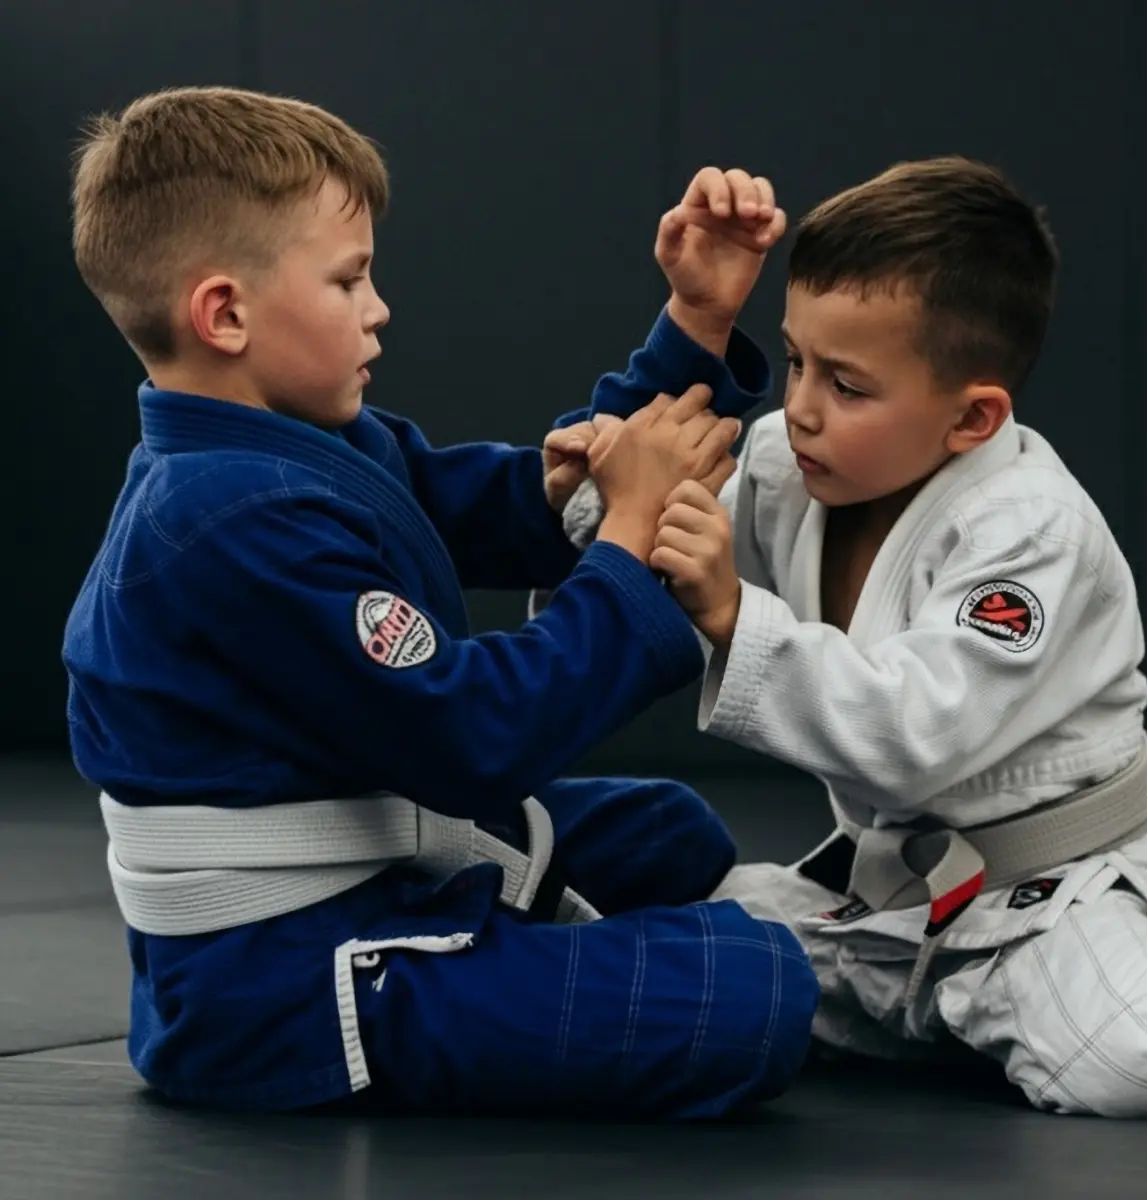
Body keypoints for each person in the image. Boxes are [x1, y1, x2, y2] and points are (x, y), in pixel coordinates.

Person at [62, 84, 819, 1118]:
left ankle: (539, 960)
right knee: (762, 992)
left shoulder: (308, 446)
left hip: (367, 852)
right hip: (286, 981)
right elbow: (474, 735)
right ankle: (515, 967)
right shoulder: (226, 523)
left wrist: (694, 324)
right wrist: (631, 541)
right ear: (225, 313)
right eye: (350, 279)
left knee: (669, 834)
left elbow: (504, 500)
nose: (379, 309)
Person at [564, 157, 1147, 1117]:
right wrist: (612, 478)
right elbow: (634, 535)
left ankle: (1049, 995)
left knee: (1138, 1063)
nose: (805, 405)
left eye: (849, 386)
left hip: (1052, 899)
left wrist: (733, 610)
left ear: (972, 417)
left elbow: (915, 735)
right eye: (795, 362)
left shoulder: (1029, 529)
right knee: (675, 963)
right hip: (885, 905)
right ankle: (956, 1013)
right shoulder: (789, 462)